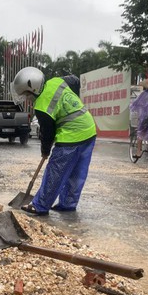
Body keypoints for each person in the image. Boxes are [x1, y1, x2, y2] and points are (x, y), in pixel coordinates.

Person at [11, 67, 97, 216]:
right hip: (89, 129)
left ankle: (40, 205)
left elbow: (47, 134)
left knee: (55, 172)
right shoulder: (57, 81)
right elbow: (75, 80)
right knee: (77, 172)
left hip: (72, 136)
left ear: (34, 89)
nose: (27, 99)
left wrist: (45, 151)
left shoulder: (42, 106)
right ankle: (68, 204)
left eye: (27, 95)